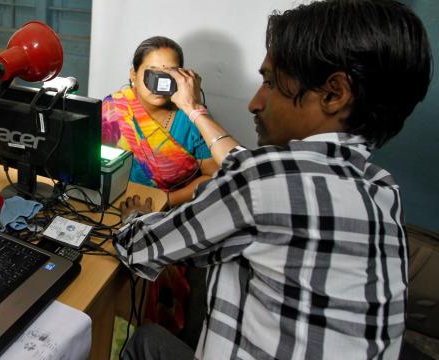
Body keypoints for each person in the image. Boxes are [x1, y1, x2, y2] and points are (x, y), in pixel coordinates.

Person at [114, 0, 432, 359]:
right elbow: (246, 165)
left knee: (144, 339)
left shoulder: (265, 180)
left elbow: (139, 247)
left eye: (269, 82)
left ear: (333, 93)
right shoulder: (382, 188)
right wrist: (194, 107)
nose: (254, 102)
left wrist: (132, 219)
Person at [102, 36, 219, 207]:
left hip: (173, 211)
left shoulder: (192, 117)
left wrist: (165, 202)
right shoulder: (113, 109)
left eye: (168, 74)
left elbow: (213, 176)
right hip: (113, 203)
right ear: (133, 75)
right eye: (152, 73)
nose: (159, 83)